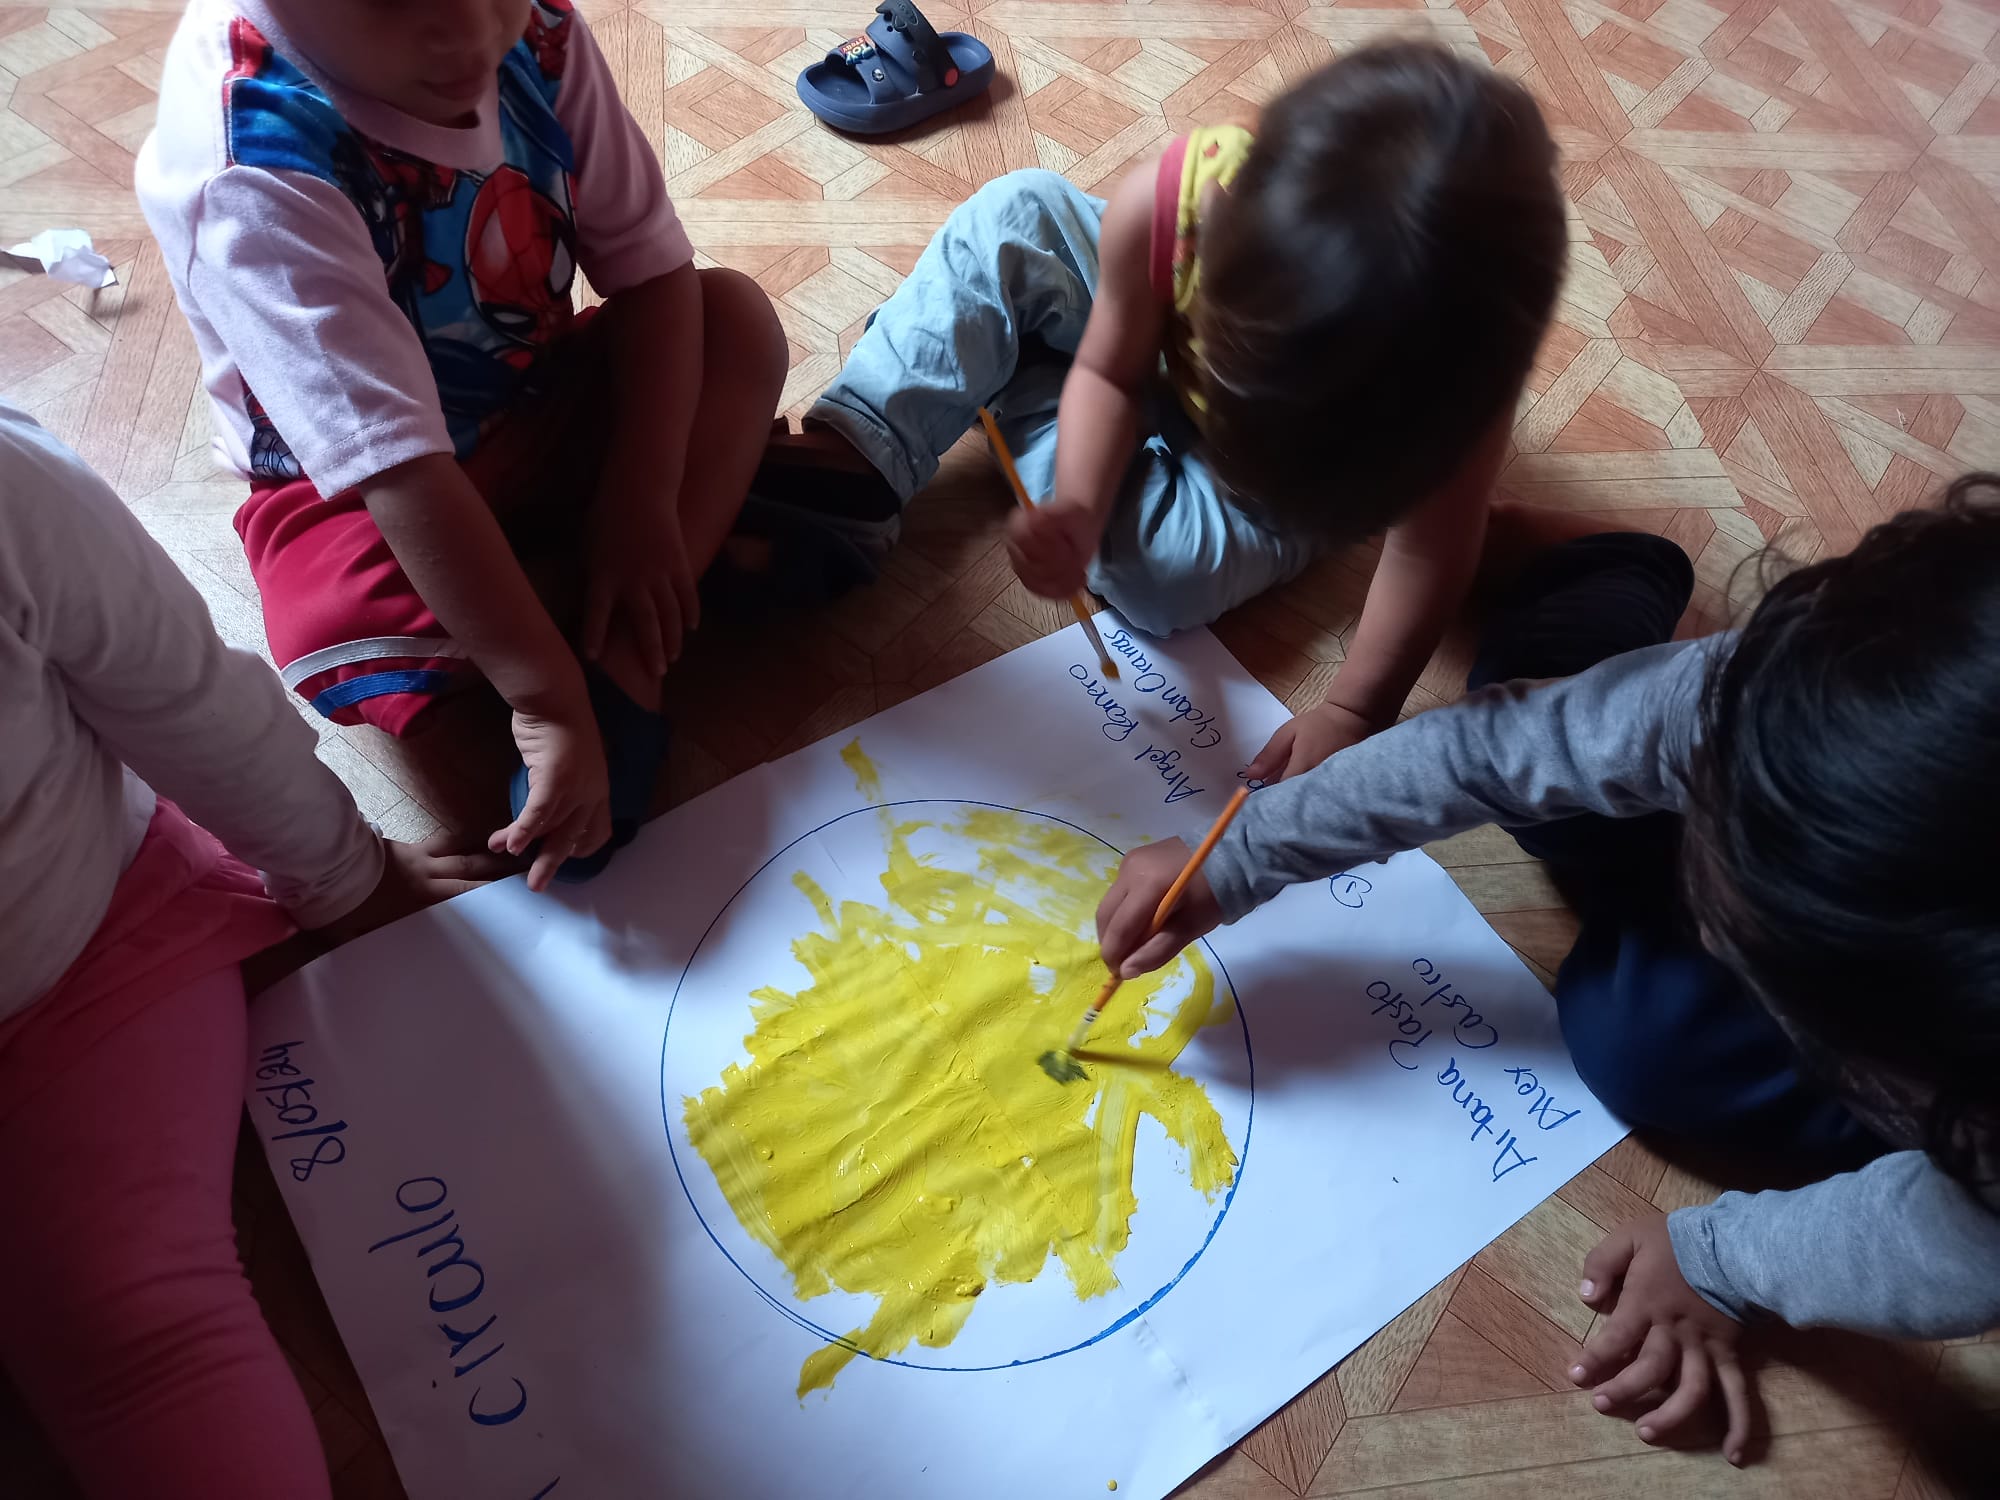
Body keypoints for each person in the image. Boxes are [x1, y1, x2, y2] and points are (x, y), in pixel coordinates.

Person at [1095, 482, 2000, 1464]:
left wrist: (1725, 1261)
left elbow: (1958, 1245)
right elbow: (1497, 752)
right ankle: (1618, 567)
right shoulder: (1788, 700)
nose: (1703, 909)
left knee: (1637, 1050)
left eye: (1735, 920)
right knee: (1543, 724)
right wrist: (1238, 857)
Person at [760, 41, 1570, 778]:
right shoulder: (1176, 203)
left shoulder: (1458, 391)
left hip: (1267, 491)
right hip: (1142, 332)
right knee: (1015, 215)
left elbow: (1431, 550)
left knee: (1165, 579)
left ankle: (984, 367)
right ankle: (865, 450)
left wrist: (1357, 710)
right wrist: (1080, 503)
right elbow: (1112, 375)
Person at [137, 0, 790, 888]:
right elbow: (399, 471)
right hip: (360, 494)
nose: (471, 33)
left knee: (733, 320)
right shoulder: (256, 167)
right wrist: (546, 703)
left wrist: (642, 500)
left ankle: (623, 654)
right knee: (331, 624)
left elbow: (653, 272)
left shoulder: (541, 35)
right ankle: (639, 593)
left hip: (534, 395)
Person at [0, 402, 508, 1498]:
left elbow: (181, 698)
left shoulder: (8, 491)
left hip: (86, 963)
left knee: (142, 1328)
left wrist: (347, 876)